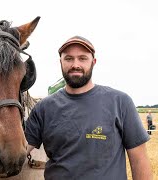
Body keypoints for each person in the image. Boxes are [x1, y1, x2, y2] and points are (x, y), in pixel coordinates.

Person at [25, 36, 153, 180]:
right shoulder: (43, 108)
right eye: (68, 58)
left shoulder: (120, 102)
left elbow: (139, 160)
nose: (75, 64)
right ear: (60, 62)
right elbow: (20, 151)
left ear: (93, 62)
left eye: (82, 58)